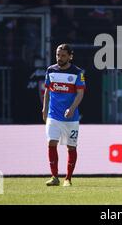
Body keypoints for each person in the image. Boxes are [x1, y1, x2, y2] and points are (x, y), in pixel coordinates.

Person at [42, 44, 85, 187]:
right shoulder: (50, 70)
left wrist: (72, 108)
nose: (60, 58)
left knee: (71, 147)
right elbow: (47, 91)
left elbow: (80, 93)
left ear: (70, 56)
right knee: (51, 143)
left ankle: (68, 178)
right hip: (53, 115)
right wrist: (44, 109)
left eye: (63, 55)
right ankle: (54, 177)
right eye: (58, 55)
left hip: (70, 118)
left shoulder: (78, 73)